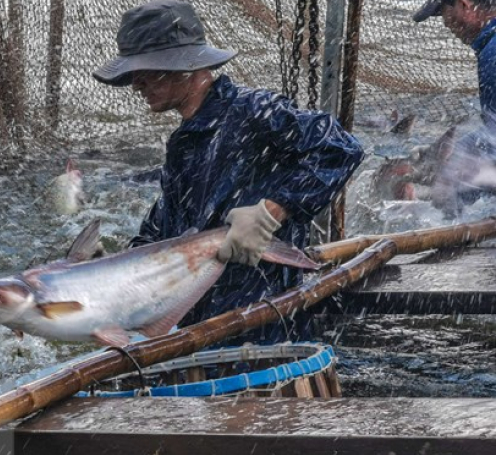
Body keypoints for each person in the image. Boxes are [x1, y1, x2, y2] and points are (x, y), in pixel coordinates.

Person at [92, 0, 364, 343]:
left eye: (144, 72)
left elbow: (340, 148)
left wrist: (271, 211)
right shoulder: (184, 142)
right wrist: (114, 271)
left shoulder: (253, 111)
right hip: (203, 323)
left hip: (266, 322)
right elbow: (165, 230)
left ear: (183, 67)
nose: (136, 85)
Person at [414, 0, 496, 214]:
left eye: (444, 12)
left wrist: (458, 172)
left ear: (465, 5)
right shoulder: (490, 44)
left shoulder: (493, 54)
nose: (445, 24)